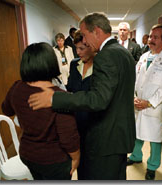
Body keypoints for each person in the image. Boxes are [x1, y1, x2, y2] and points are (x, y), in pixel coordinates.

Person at [28, 12, 136, 180]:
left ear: (97, 31)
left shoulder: (106, 56)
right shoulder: (123, 53)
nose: (84, 41)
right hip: (119, 134)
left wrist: (54, 98)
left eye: (85, 35)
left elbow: (98, 99)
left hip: (106, 138)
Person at [1, 42, 80, 180]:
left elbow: (6, 110)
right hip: (54, 160)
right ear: (51, 63)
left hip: (28, 154)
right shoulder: (59, 96)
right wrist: (76, 157)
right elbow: (68, 136)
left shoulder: (16, 88)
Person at [127, 24, 162, 180]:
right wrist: (134, 95)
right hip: (138, 103)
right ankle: (136, 156)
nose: (151, 40)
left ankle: (152, 166)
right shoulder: (144, 57)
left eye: (156, 37)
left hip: (154, 107)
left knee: (155, 139)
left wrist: (148, 103)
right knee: (137, 134)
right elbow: (135, 79)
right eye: (150, 36)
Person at [66, 29, 95, 180]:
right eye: (76, 48)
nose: (78, 52)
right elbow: (70, 87)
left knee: (92, 165)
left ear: (91, 47)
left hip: (93, 124)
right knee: (79, 162)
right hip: (75, 122)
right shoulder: (74, 64)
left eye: (82, 48)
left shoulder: (100, 67)